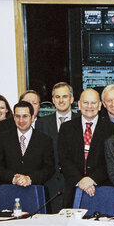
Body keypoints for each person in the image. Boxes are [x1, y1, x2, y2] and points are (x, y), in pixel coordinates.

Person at [57, 88, 114, 208]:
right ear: (79, 105)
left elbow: (112, 161)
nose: (89, 106)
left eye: (93, 103)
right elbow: (64, 159)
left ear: (100, 105)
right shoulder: (66, 128)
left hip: (102, 188)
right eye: (85, 102)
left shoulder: (112, 129)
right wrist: (80, 181)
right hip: (74, 190)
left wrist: (93, 179)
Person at [0, 101, 55, 187]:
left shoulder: (44, 140)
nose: (21, 120)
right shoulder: (3, 138)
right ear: (14, 118)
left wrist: (30, 179)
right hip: (9, 190)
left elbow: (49, 168)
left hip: (35, 190)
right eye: (17, 116)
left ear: (32, 117)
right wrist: (13, 178)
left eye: (25, 116)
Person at [36, 82, 76, 212]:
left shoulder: (80, 120)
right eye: (57, 97)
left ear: (71, 99)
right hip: (51, 183)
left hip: (75, 182)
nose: (61, 100)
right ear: (53, 100)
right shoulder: (42, 123)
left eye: (65, 96)